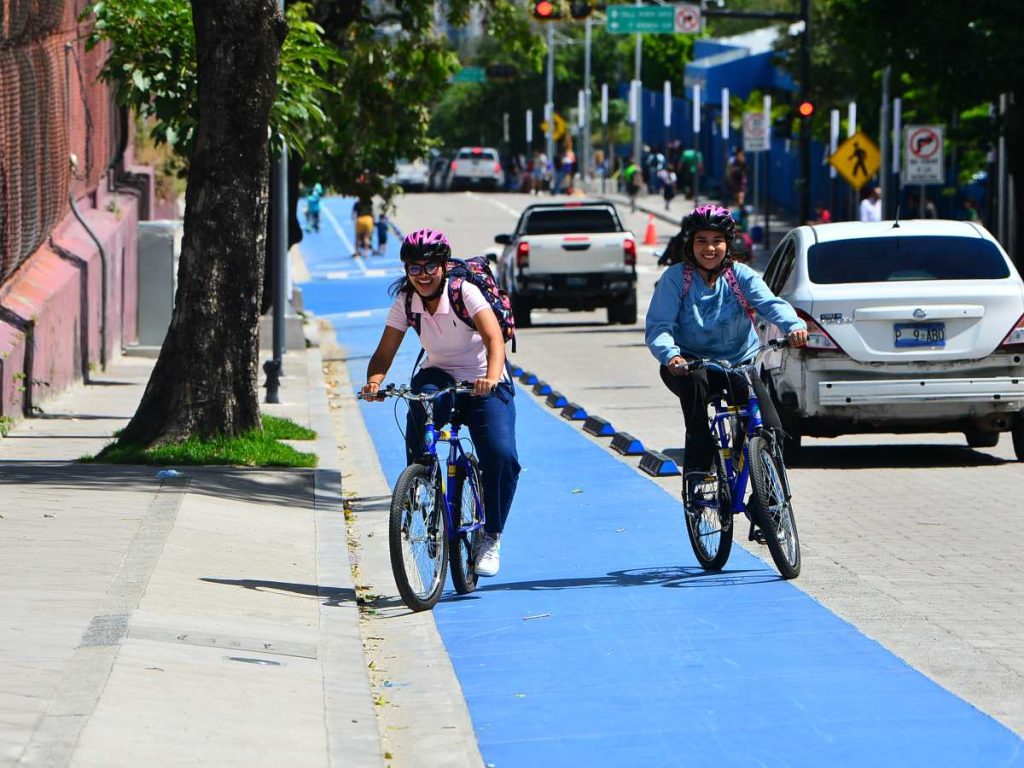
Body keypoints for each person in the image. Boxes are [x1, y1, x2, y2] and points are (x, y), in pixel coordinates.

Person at [360, 229, 520, 577]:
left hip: (483, 380)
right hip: (440, 375)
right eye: (413, 267)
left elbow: (494, 340)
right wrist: (374, 381)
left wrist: (491, 378)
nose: (422, 275)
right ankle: (417, 483)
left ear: (444, 266)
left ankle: (490, 534)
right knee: (420, 398)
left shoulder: (465, 293)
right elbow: (385, 350)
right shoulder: (406, 300)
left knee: (501, 455)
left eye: (430, 266)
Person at [644, 204, 808, 507]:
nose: (709, 248)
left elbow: (770, 304)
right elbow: (659, 326)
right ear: (690, 244)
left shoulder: (739, 276)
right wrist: (671, 356)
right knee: (694, 388)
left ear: (727, 244)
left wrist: (794, 326)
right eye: (701, 241)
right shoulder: (676, 279)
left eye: (716, 241)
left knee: (770, 429)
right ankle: (700, 464)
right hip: (690, 364)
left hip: (739, 363)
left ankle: (769, 504)